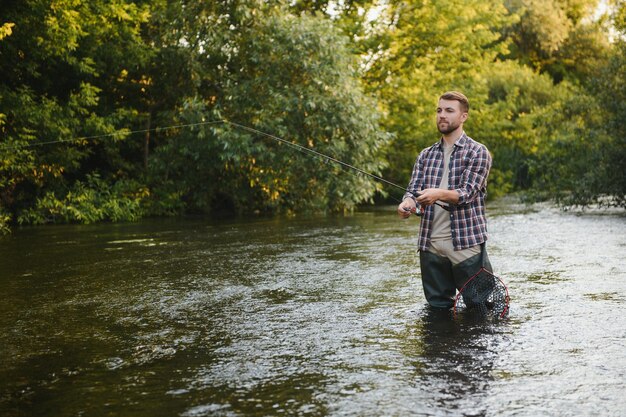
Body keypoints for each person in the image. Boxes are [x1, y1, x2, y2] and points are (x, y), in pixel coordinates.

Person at [397, 91, 493, 309]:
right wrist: (407, 204)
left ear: (463, 117)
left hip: (466, 244)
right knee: (437, 310)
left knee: (481, 310)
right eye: (439, 110)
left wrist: (437, 193)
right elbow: (412, 192)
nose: (442, 115)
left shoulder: (478, 152)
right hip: (430, 244)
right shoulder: (425, 155)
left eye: (449, 110)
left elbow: (467, 193)